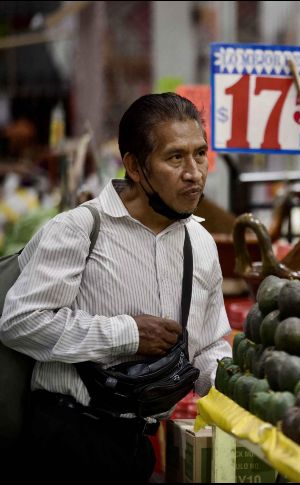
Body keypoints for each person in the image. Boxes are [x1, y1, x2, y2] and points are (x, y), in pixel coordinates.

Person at [0, 93, 232, 482]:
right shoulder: (78, 230)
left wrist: (237, 379)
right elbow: (20, 321)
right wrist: (128, 334)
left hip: (137, 445)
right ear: (135, 167)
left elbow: (208, 346)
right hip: (65, 442)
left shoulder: (201, 243)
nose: (194, 172)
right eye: (175, 157)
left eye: (199, 154)